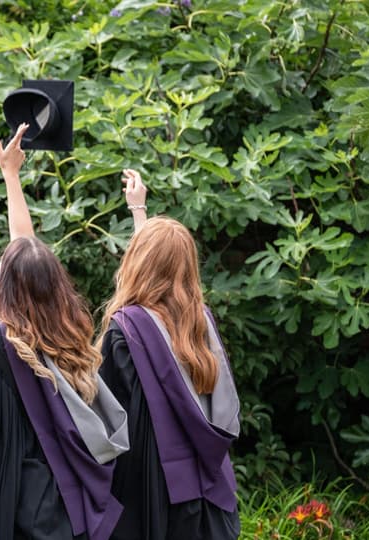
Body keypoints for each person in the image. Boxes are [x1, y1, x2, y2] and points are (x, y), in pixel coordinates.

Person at [0, 125, 129, 540]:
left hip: (25, 513)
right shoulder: (71, 340)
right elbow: (26, 257)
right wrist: (11, 177)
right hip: (77, 508)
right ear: (57, 286)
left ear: (3, 287)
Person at [97, 173, 241, 539]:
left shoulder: (124, 332)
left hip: (153, 495)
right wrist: (138, 211)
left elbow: (104, 421)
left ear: (137, 263)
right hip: (207, 486)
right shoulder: (200, 322)